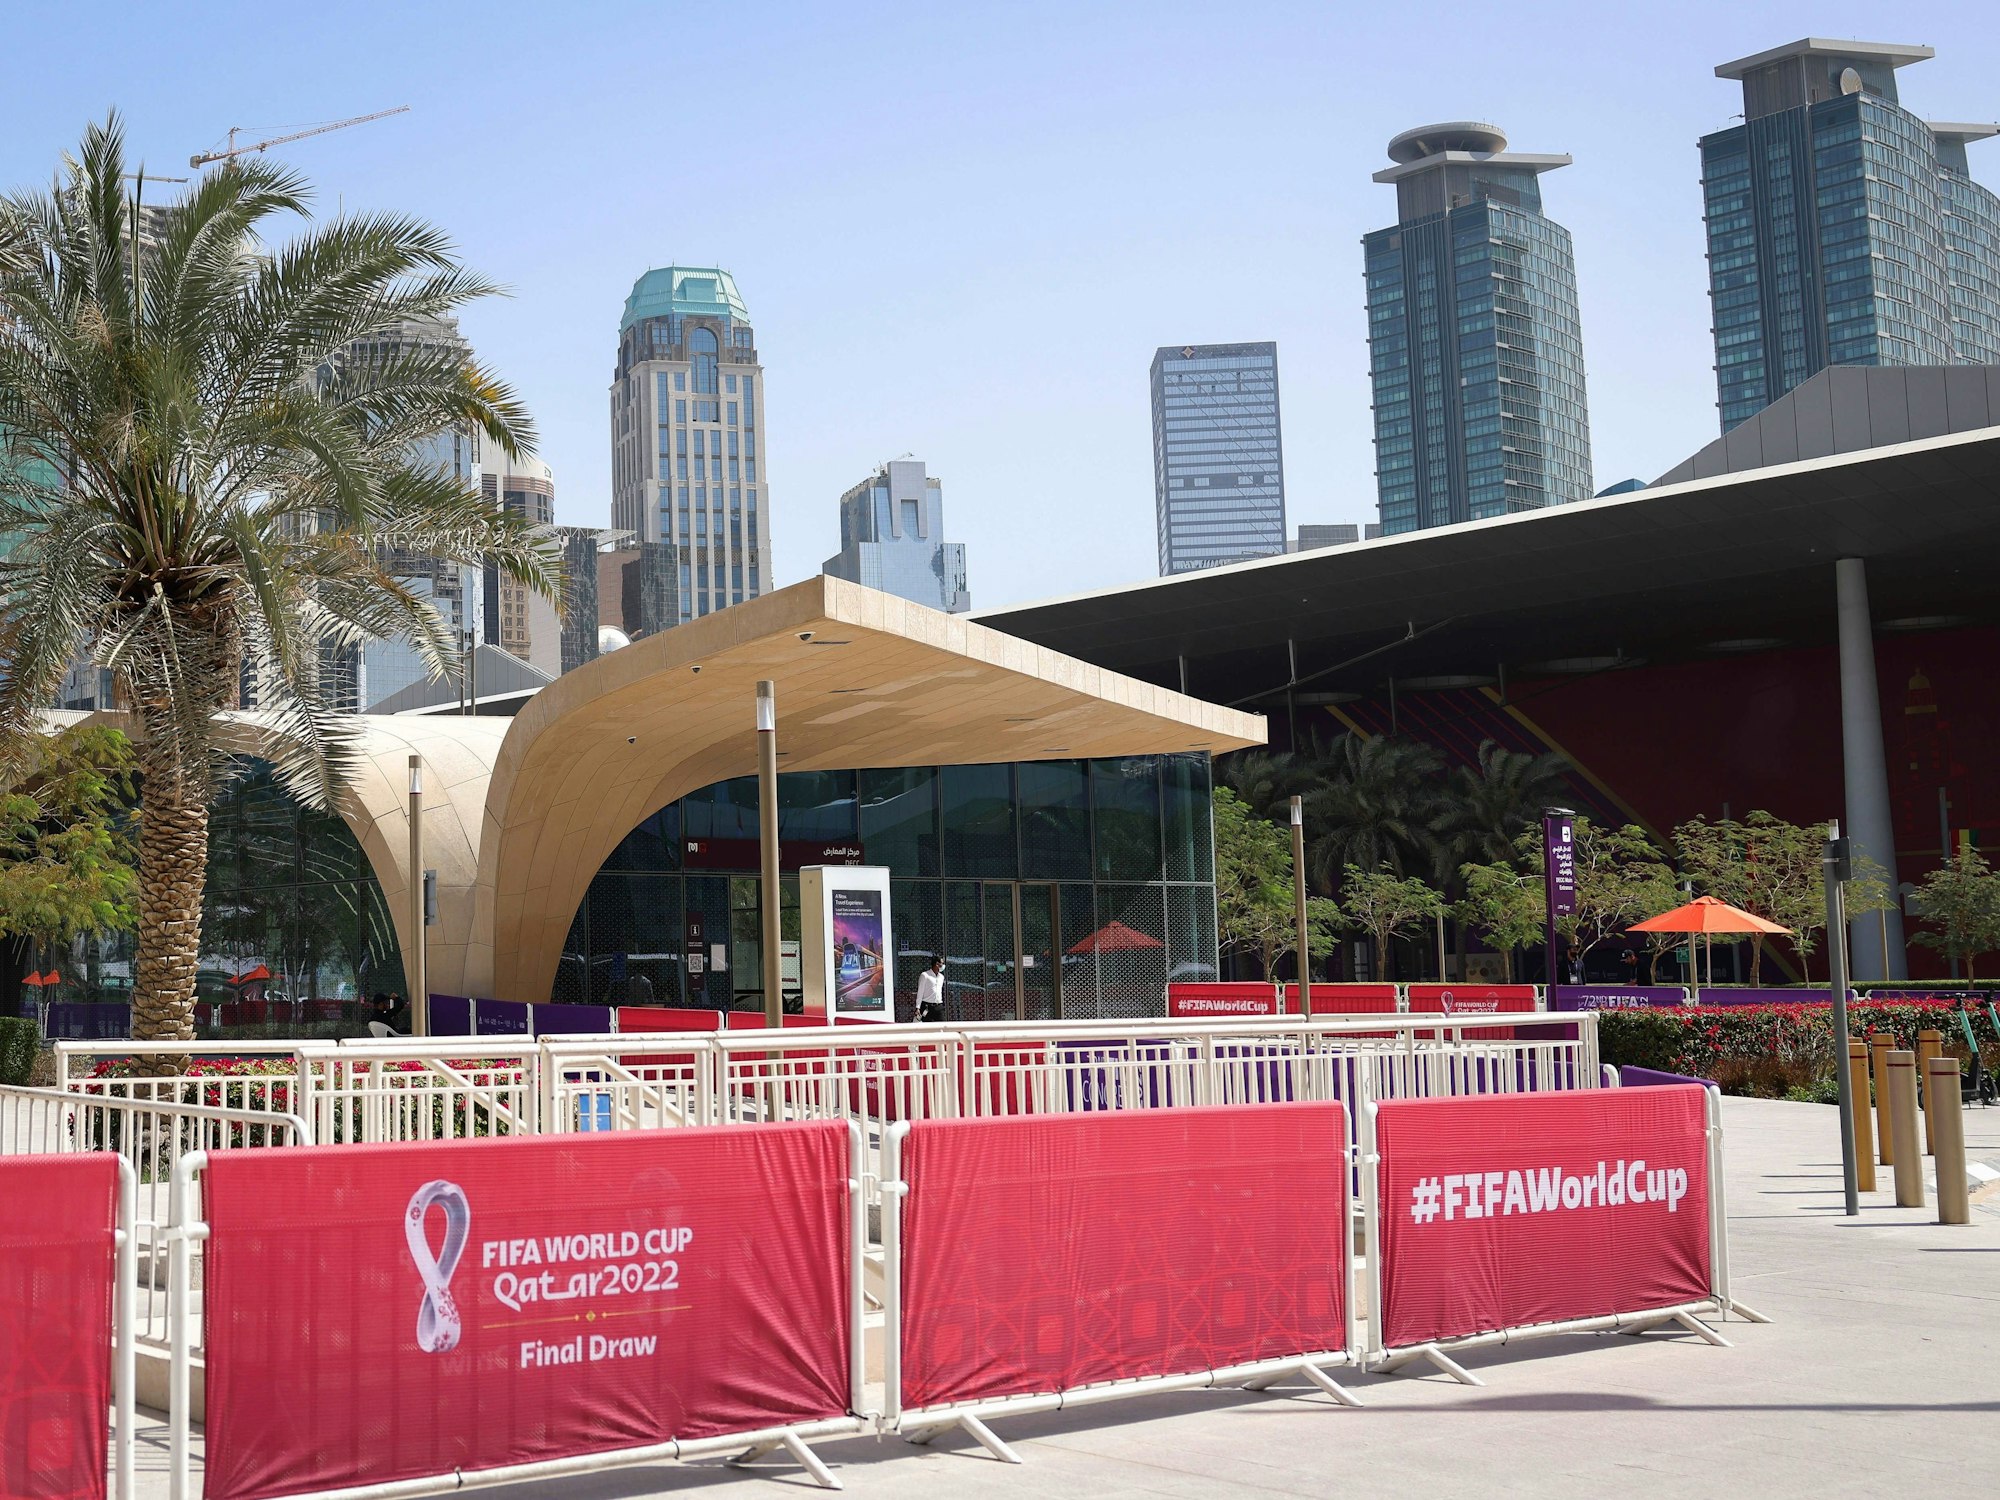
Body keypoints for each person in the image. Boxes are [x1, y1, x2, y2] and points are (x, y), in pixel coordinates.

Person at [915, 955, 947, 1023]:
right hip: (927, 1007)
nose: (943, 965)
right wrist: (918, 1007)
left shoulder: (941, 977)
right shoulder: (925, 975)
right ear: (937, 964)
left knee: (942, 1026)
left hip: (939, 1006)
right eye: (942, 963)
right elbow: (920, 992)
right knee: (928, 1027)